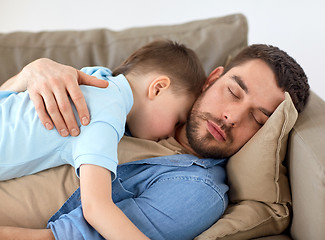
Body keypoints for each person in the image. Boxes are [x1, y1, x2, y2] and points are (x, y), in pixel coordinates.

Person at [0, 44, 310, 240]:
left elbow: (68, 236)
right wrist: (30, 74)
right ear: (213, 79)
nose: (232, 116)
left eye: (258, 119)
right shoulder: (136, 106)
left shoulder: (196, 188)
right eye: (233, 92)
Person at [0, 40, 207, 239]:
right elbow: (96, 208)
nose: (171, 134)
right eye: (178, 119)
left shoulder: (94, 76)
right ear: (158, 88)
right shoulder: (107, 114)